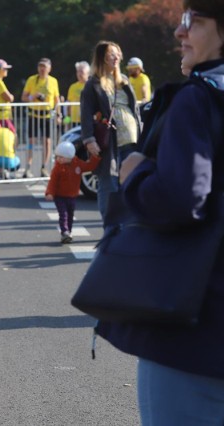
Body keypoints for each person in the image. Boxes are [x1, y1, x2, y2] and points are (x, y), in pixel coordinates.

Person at [95, 2, 224, 424]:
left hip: (195, 326)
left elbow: (181, 199)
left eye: (194, 22)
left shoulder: (197, 99)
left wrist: (136, 172)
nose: (179, 33)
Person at [80, 41, 140, 223]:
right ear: (102, 58)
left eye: (118, 54)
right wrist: (89, 140)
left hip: (131, 140)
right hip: (109, 142)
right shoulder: (94, 84)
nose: (117, 57)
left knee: (130, 184)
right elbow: (86, 113)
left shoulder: (124, 81)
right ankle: (111, 227)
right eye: (112, 54)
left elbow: (134, 110)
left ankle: (127, 227)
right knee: (109, 185)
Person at [44, 141, 100, 243]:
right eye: (57, 157)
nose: (59, 159)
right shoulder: (57, 168)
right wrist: (50, 193)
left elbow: (88, 166)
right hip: (59, 196)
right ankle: (64, 232)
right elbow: (53, 182)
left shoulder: (77, 163)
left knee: (70, 215)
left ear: (70, 157)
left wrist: (95, 158)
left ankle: (68, 232)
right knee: (63, 214)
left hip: (72, 196)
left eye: (62, 157)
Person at [21, 58, 61, 178]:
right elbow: (23, 97)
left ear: (49, 68)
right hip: (34, 114)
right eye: (40, 66)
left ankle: (44, 167)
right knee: (31, 141)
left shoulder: (53, 81)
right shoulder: (32, 80)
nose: (42, 69)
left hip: (47, 115)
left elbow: (56, 99)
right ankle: (28, 167)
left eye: (44, 66)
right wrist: (33, 97)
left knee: (47, 142)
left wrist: (59, 114)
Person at [66, 61, 90, 125]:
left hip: (87, 120)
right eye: (78, 71)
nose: (79, 74)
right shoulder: (72, 87)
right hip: (74, 121)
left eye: (81, 71)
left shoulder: (91, 86)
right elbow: (69, 104)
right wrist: (68, 117)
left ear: (88, 73)